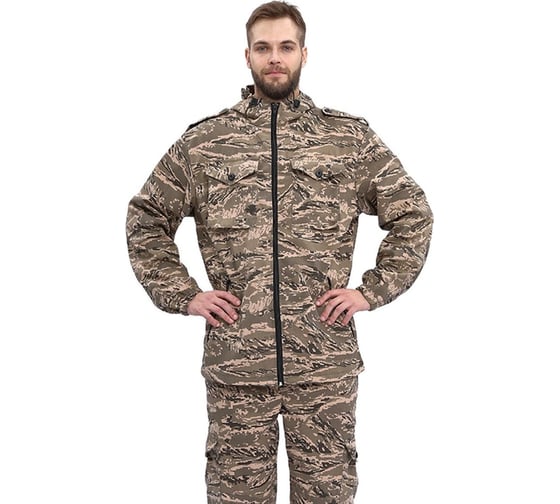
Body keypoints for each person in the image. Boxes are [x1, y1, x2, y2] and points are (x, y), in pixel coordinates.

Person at [126, 1, 433, 502]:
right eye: (263, 47)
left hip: (324, 364)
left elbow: (413, 215)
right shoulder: (205, 142)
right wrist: (184, 294)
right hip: (237, 366)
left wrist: (370, 292)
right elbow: (146, 219)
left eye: (286, 47)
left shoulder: (347, 140)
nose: (275, 57)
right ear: (246, 55)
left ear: (304, 54)